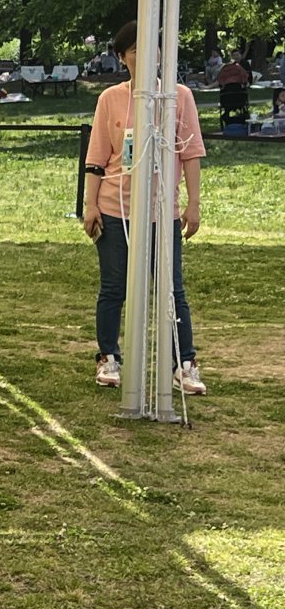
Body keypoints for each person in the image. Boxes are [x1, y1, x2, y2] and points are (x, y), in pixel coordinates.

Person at [82, 20, 207, 395]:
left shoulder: (179, 97)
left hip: (161, 212)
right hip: (114, 207)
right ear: (122, 58)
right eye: (135, 50)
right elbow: (96, 158)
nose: (145, 56)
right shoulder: (111, 99)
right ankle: (108, 356)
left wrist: (193, 204)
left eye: (151, 49)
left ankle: (184, 363)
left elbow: (192, 153)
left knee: (172, 290)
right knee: (114, 287)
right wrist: (90, 205)